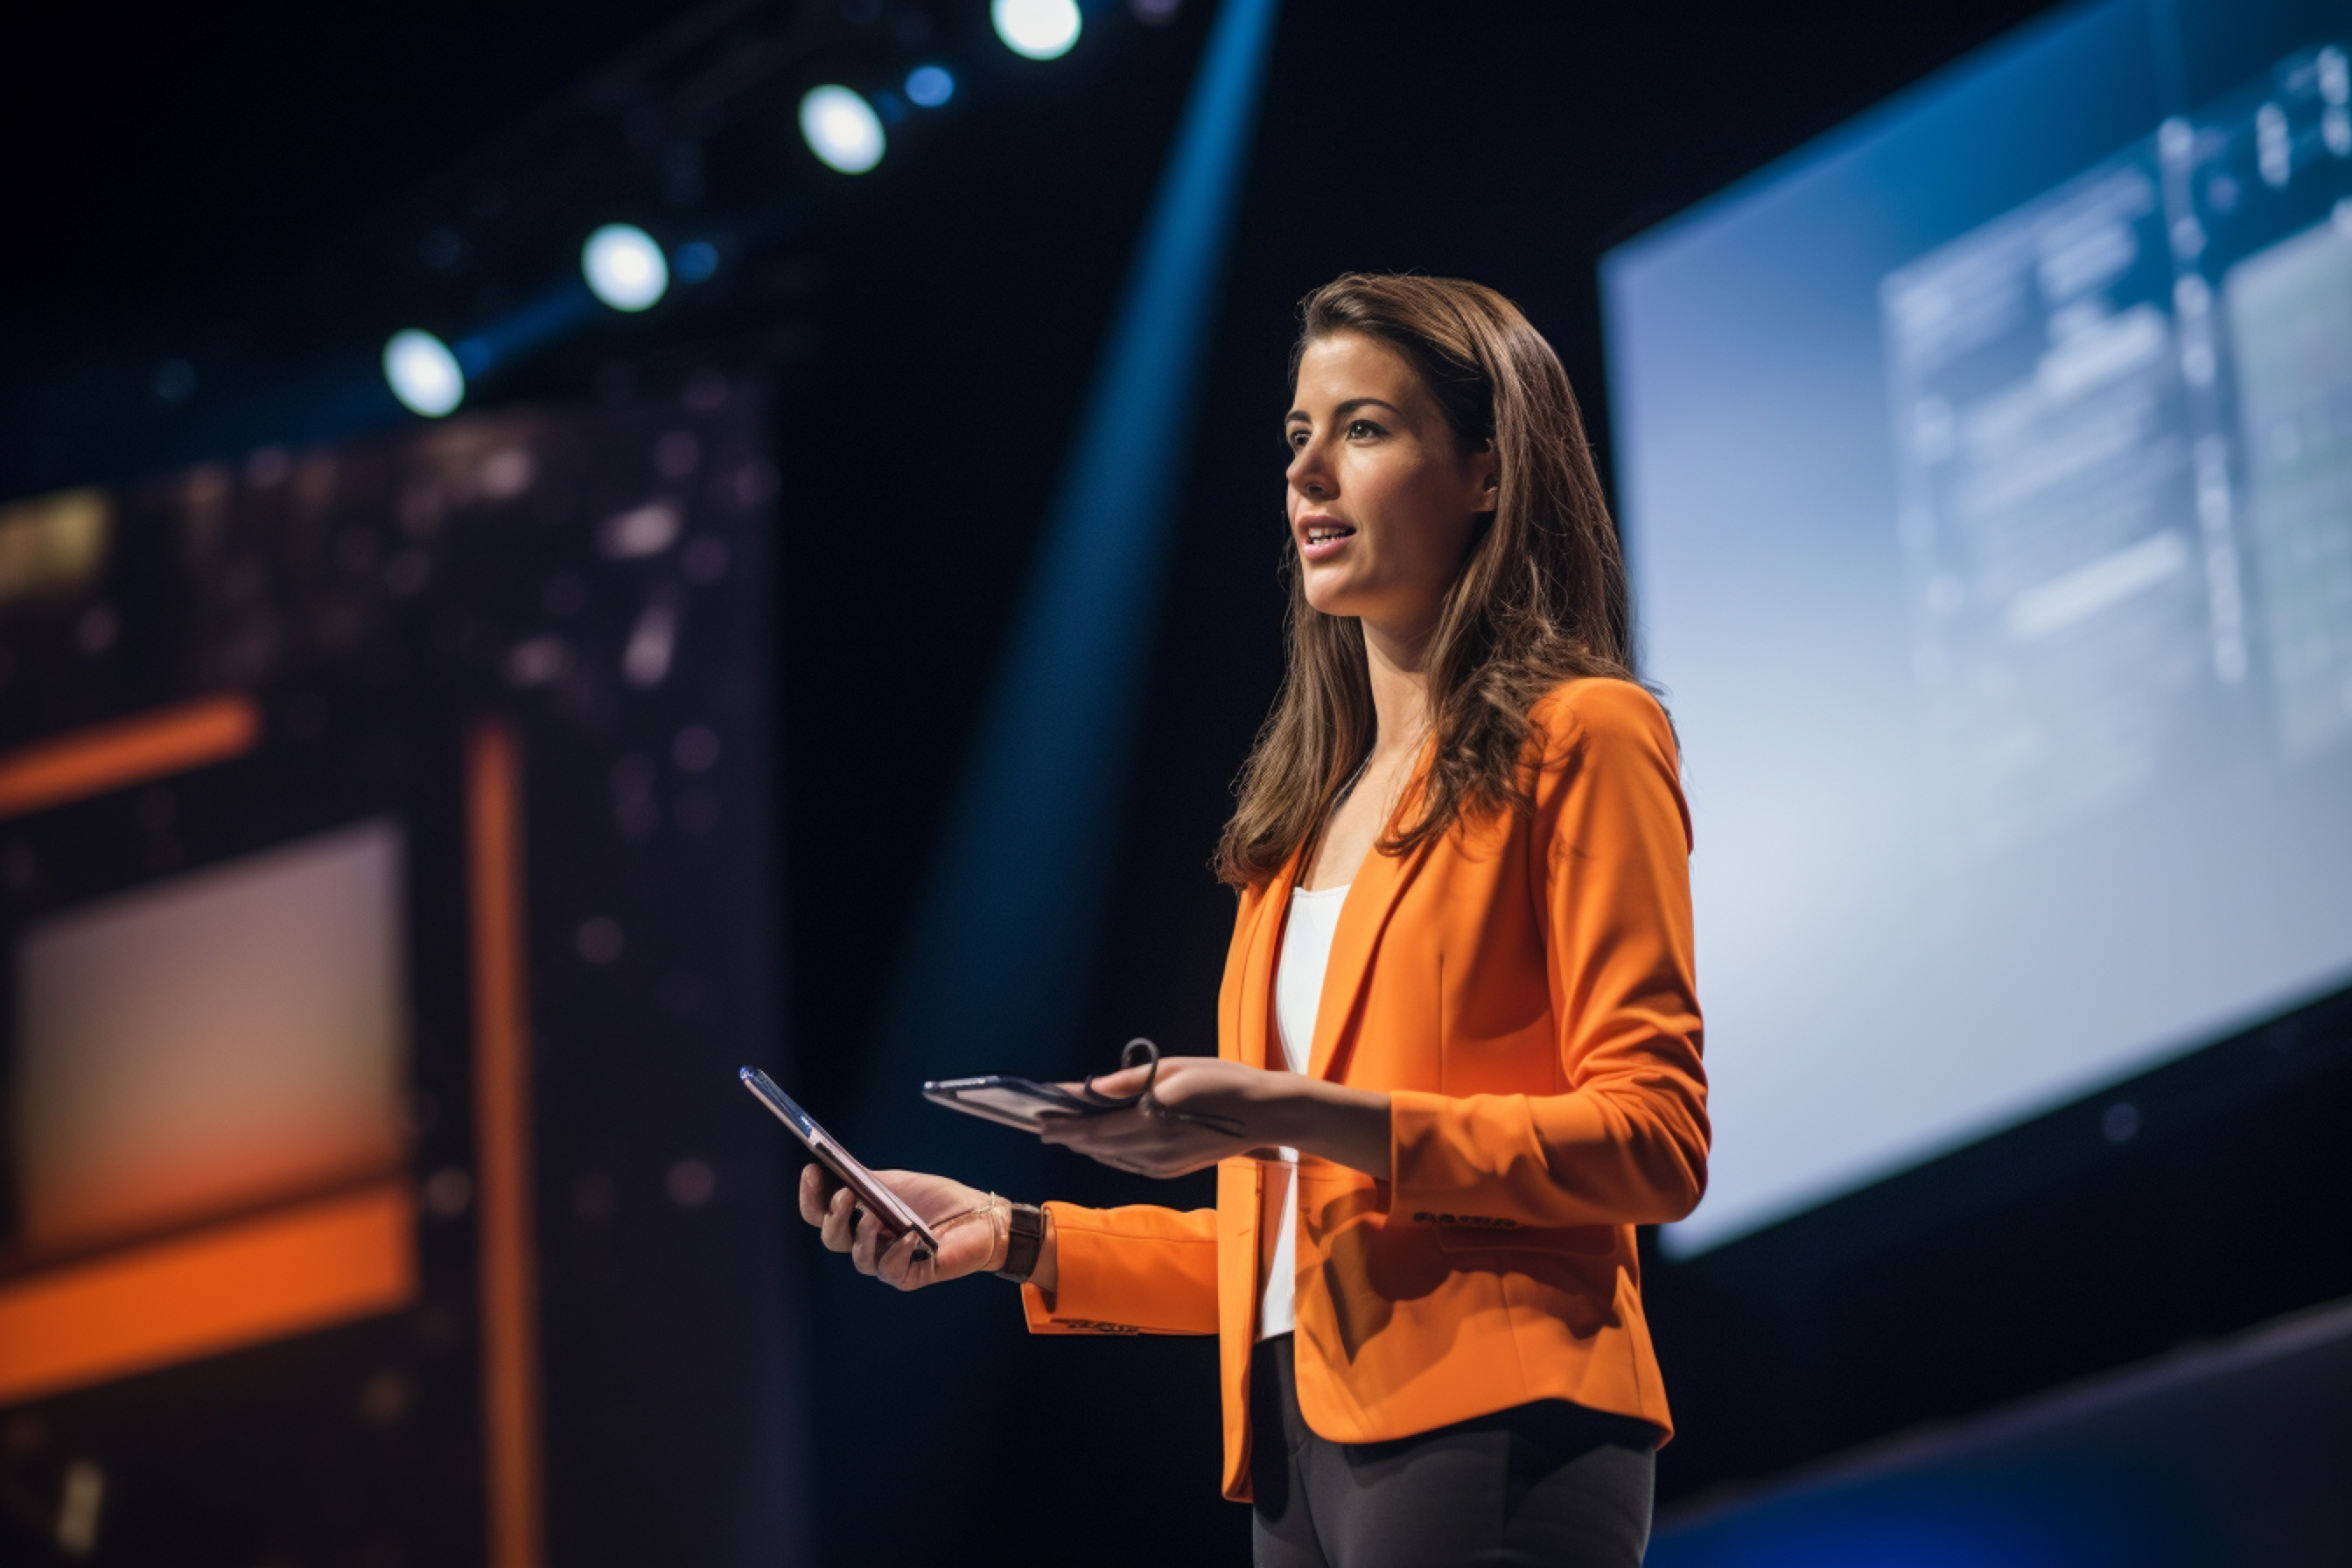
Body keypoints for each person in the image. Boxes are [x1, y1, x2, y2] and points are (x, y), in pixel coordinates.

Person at [798, 272, 1708, 1568]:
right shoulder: (1293, 839)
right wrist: (1009, 1237)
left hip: (1497, 1411)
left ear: (1490, 472)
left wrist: (1286, 1111)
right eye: (1297, 435)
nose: (1308, 474)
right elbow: (1285, 1243)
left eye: (1365, 429)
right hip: (1293, 1462)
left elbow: (1653, 1142)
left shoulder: (1585, 736)